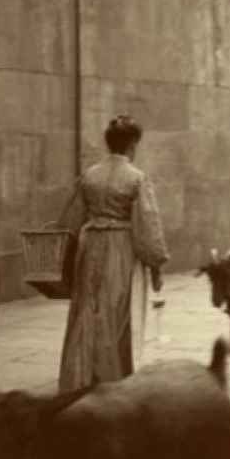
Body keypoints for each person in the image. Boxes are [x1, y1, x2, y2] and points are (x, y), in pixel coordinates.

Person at [58, 115, 169, 392]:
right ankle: (112, 379)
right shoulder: (136, 178)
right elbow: (147, 224)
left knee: (86, 309)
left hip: (90, 246)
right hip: (120, 249)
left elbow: (70, 220)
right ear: (132, 144)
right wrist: (156, 264)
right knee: (116, 313)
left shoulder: (89, 175)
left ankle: (80, 377)